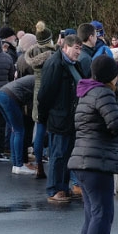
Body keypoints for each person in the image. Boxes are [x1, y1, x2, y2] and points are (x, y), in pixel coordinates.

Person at [68, 55, 118, 234]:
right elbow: (115, 123)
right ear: (111, 76)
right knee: (103, 212)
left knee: (92, 212)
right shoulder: (104, 93)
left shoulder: (85, 92)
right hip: (97, 161)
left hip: (82, 160)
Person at [38, 34, 84, 202]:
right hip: (58, 116)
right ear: (65, 47)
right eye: (76, 48)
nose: (78, 52)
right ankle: (54, 189)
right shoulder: (55, 64)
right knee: (58, 154)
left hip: (71, 117)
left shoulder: (74, 65)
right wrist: (44, 117)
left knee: (67, 154)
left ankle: (63, 187)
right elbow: (45, 94)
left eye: (80, 48)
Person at [26, 21, 56, 179]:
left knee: (39, 131)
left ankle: (39, 165)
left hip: (37, 94)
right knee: (52, 132)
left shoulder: (32, 54)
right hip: (51, 94)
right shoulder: (53, 55)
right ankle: (53, 163)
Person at [0, 75, 38, 175]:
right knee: (19, 131)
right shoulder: (40, 81)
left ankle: (15, 164)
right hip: (10, 98)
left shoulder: (32, 78)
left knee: (14, 130)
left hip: (0, 94)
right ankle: (19, 165)